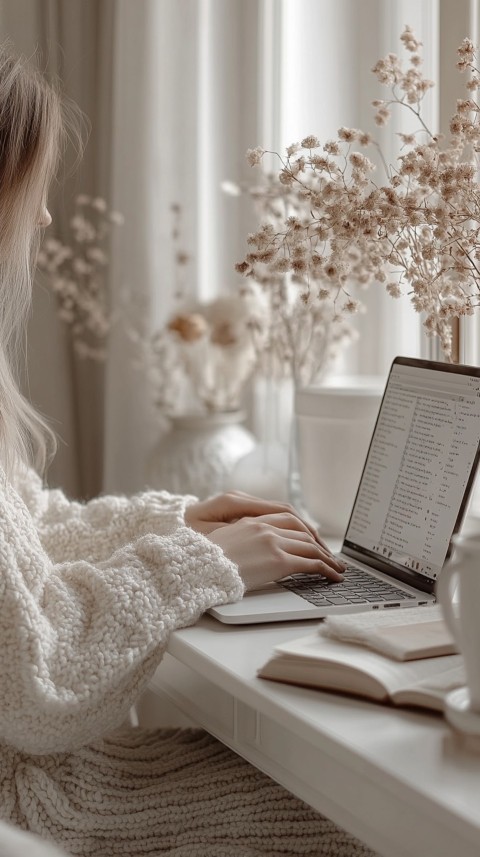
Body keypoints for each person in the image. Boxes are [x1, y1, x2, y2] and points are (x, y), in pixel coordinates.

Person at [0, 44, 375, 857]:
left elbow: (31, 535)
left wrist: (188, 517)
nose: (46, 216)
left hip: (47, 771)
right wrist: (196, 560)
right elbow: (35, 683)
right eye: (32, 188)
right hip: (37, 797)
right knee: (359, 821)